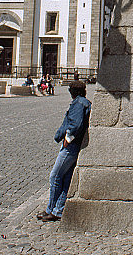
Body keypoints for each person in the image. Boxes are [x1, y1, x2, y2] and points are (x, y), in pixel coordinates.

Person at [39, 80, 90, 222]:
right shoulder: (83, 102)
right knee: (65, 178)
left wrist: (68, 138)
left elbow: (76, 124)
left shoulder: (79, 104)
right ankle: (57, 210)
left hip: (71, 147)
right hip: (75, 145)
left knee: (55, 176)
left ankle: (51, 209)